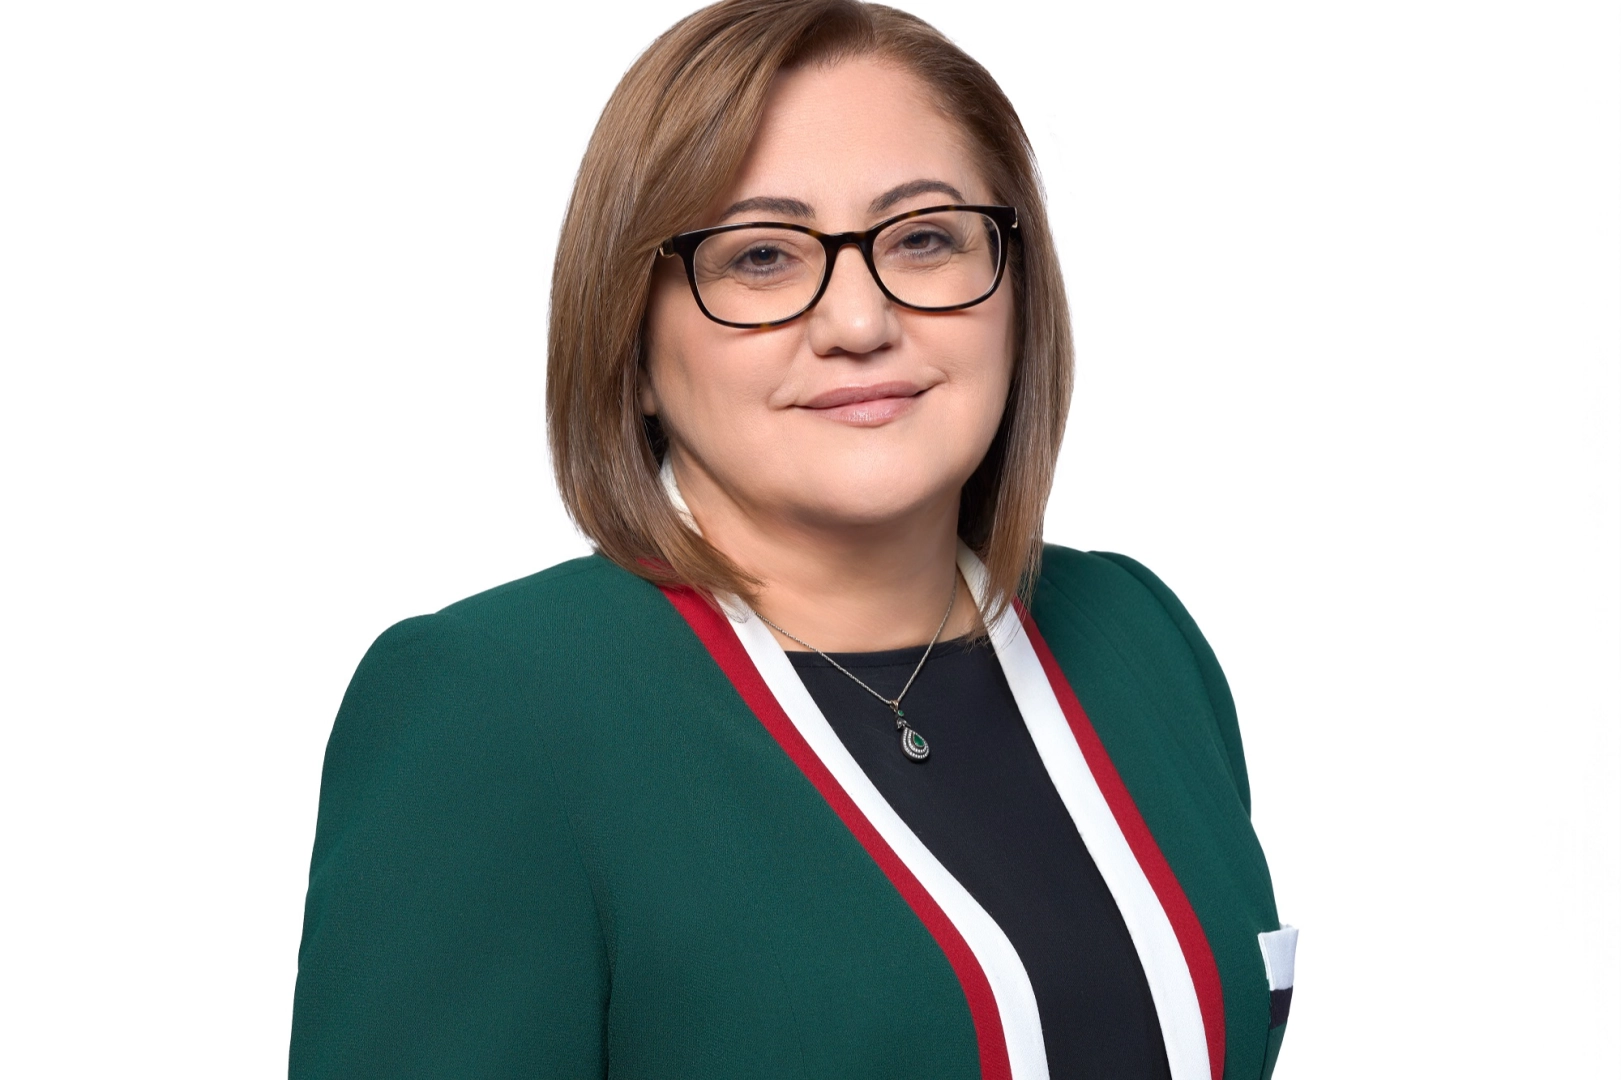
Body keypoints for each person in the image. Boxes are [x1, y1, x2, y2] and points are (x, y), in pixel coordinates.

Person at [288, 2, 1295, 1078]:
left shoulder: (1137, 641)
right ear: (629, 340)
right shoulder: (497, 707)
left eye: (924, 238)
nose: (859, 323)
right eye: (761, 256)